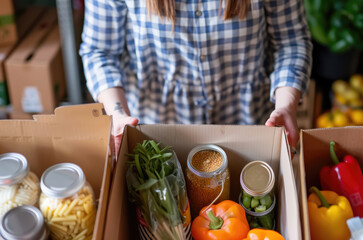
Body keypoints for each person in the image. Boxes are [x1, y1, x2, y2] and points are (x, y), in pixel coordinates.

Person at [80, 0, 312, 154]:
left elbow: (291, 41)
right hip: (156, 135)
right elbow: (100, 51)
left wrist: (286, 105)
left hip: (251, 128)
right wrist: (117, 113)